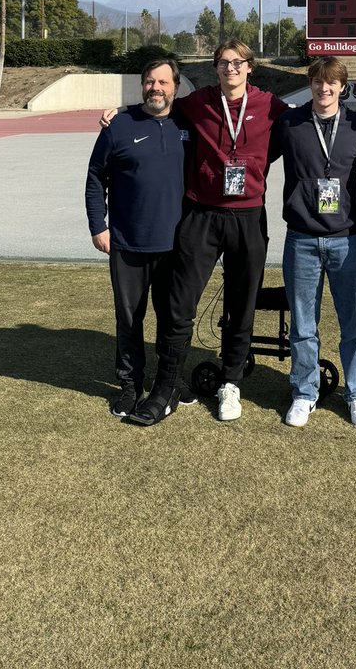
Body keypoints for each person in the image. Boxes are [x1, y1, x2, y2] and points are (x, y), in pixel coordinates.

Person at [113, 40, 288, 426]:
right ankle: (168, 384)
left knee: (242, 304)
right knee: (179, 304)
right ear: (215, 68)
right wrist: (123, 113)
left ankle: (231, 383)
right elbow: (157, 106)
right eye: (223, 63)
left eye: (237, 63)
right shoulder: (198, 103)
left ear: (250, 67)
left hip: (247, 216)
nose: (230, 69)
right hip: (202, 216)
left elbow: (289, 137)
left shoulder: (270, 105)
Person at [271, 57, 356, 428]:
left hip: (348, 239)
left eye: (331, 83)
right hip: (301, 238)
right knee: (302, 323)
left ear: (342, 87)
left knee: (353, 322)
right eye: (317, 81)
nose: (324, 88)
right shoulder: (290, 123)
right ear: (310, 84)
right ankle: (304, 392)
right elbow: (252, 156)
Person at [85, 58, 188, 419]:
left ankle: (169, 381)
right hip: (128, 243)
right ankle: (130, 386)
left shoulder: (187, 122)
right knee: (129, 319)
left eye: (163, 81)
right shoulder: (119, 125)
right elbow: (96, 176)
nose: (155, 88)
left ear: (176, 86)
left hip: (176, 243)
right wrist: (98, 225)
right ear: (142, 85)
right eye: (149, 81)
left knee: (171, 319)